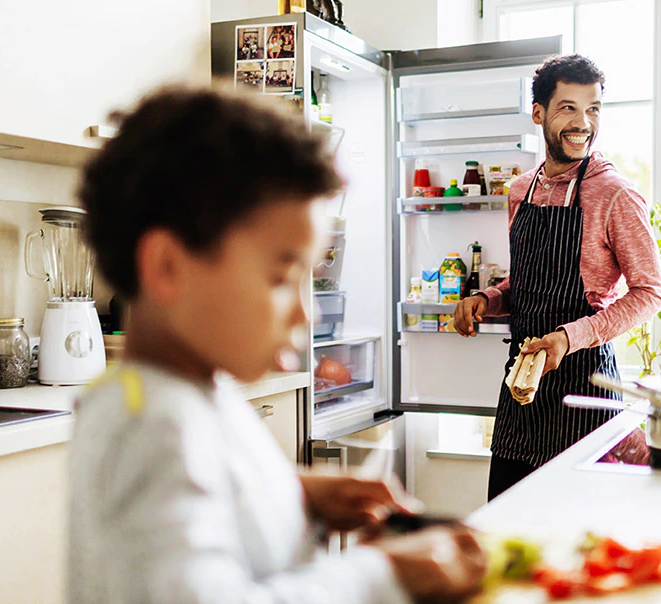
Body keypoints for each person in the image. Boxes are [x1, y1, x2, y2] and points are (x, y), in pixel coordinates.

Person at [69, 87, 487, 603]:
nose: (306, 312)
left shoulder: (195, 392)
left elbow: (205, 491)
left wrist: (295, 494)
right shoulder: (148, 425)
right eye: (280, 277)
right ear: (167, 267)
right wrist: (383, 573)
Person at [453, 55, 661, 501]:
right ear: (538, 114)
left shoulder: (615, 194)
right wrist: (488, 298)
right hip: (521, 388)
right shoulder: (520, 189)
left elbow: (649, 293)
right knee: (505, 527)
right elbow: (528, 281)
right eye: (568, 107)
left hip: (584, 393)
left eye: (593, 109)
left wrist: (569, 338)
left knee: (578, 539)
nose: (583, 123)